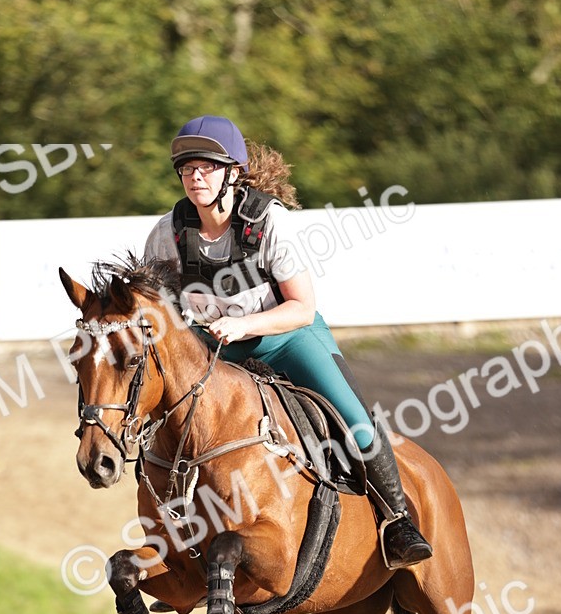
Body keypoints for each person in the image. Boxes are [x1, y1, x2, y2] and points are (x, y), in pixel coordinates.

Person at [144, 115, 432, 569]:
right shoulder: (168, 232)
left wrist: (244, 325)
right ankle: (178, 539)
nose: (195, 176)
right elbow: (156, 313)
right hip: (214, 348)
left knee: (354, 418)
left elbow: (300, 306)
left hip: (286, 337)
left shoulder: (269, 221)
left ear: (233, 173)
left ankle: (398, 521)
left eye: (207, 167)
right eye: (187, 168)